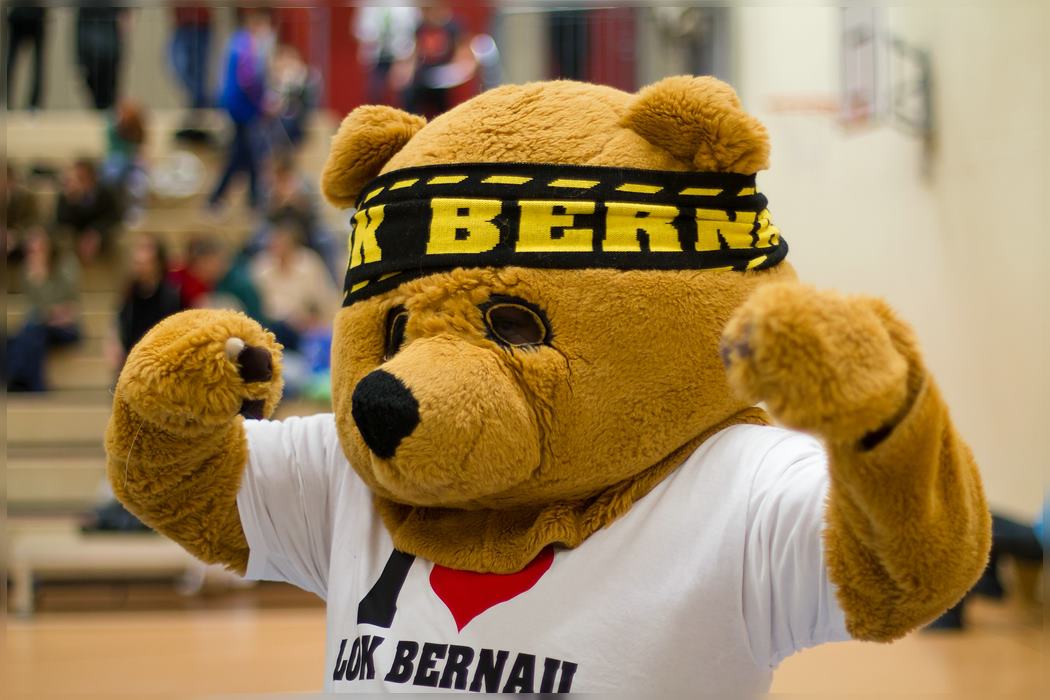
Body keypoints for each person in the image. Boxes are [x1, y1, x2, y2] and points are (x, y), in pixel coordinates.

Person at [208, 7, 273, 211]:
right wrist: (262, 105)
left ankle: (252, 199)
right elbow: (248, 81)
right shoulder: (247, 45)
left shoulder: (237, 42)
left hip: (238, 106)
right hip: (242, 109)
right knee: (242, 154)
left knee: (247, 153)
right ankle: (219, 198)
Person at [6, 229, 80, 392]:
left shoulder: (65, 265)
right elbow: (34, 307)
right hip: (42, 325)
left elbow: (69, 306)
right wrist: (37, 282)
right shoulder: (26, 271)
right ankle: (30, 382)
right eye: (31, 250)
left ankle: (21, 380)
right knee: (24, 334)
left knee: (32, 331)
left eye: (39, 248)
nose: (35, 253)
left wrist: (42, 282)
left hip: (66, 327)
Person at [248, 220, 339, 352]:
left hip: (305, 328)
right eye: (275, 244)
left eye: (283, 244)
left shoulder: (309, 263)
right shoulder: (261, 266)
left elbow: (326, 299)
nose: (278, 248)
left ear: (293, 245)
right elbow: (257, 305)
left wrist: (312, 320)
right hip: (271, 327)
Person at [392, 2, 477, 119]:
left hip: (445, 76)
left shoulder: (453, 26)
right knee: (409, 95)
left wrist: (458, 69)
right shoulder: (421, 27)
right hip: (424, 75)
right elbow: (415, 53)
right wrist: (404, 72)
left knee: (444, 106)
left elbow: (463, 52)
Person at [113, 233, 183, 368]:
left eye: (146, 249)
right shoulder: (129, 292)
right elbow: (120, 323)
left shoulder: (170, 294)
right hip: (132, 360)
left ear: (157, 261)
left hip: (159, 360)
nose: (140, 257)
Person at [53, 158, 123, 263]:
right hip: (74, 234)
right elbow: (61, 220)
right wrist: (72, 202)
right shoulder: (66, 196)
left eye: (82, 178)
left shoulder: (106, 193)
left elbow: (114, 217)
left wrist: (95, 232)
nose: (78, 182)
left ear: (92, 178)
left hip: (99, 233)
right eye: (76, 178)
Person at [353, 5, 419, 105]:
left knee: (403, 95)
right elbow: (358, 30)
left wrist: (407, 62)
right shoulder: (367, 6)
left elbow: (416, 32)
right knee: (374, 93)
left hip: (401, 57)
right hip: (376, 58)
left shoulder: (407, 7)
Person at [102, 100, 150, 224]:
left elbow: (138, 148)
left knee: (139, 178)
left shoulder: (137, 126)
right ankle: (113, 209)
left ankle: (135, 210)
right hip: (116, 160)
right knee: (113, 173)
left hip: (132, 159)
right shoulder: (112, 127)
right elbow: (114, 151)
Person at [75, 3, 128, 111]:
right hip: (89, 29)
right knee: (94, 78)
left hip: (108, 32)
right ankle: (103, 108)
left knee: (108, 82)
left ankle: (107, 108)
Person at [266, 43, 318, 148]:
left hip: (293, 120)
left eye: (289, 60)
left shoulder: (303, 79)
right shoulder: (270, 80)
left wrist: (298, 79)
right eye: (283, 61)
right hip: (273, 121)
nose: (285, 64)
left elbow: (309, 101)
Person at [169, 5, 212, 112]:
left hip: (200, 25)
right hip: (181, 26)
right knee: (176, 65)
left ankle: (199, 103)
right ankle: (200, 101)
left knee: (197, 70)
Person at [5, 2, 47, 110]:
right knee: (10, 63)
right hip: (21, 12)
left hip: (33, 13)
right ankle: (7, 102)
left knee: (37, 63)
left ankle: (33, 105)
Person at [168, 235, 229, 308]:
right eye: (215, 262)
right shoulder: (176, 282)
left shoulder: (214, 284)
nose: (221, 267)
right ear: (201, 260)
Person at [3, 163, 41, 264]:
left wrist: (15, 234)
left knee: (36, 241)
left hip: (20, 236)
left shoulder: (27, 198)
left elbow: (33, 220)